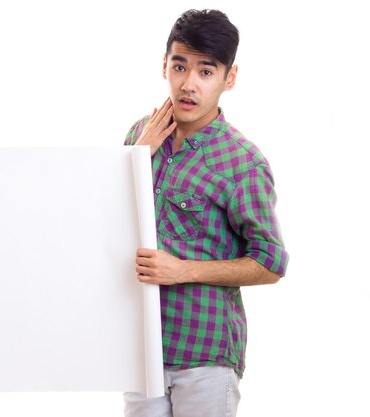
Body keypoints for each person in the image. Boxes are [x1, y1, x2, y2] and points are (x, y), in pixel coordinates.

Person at [123, 9, 289, 417]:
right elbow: (103, 223)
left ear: (228, 79)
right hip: (140, 347)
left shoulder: (243, 163)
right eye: (179, 66)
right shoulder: (138, 136)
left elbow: (270, 264)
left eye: (206, 71)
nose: (189, 83)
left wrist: (185, 269)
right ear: (164, 66)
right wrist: (133, 158)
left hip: (204, 355)